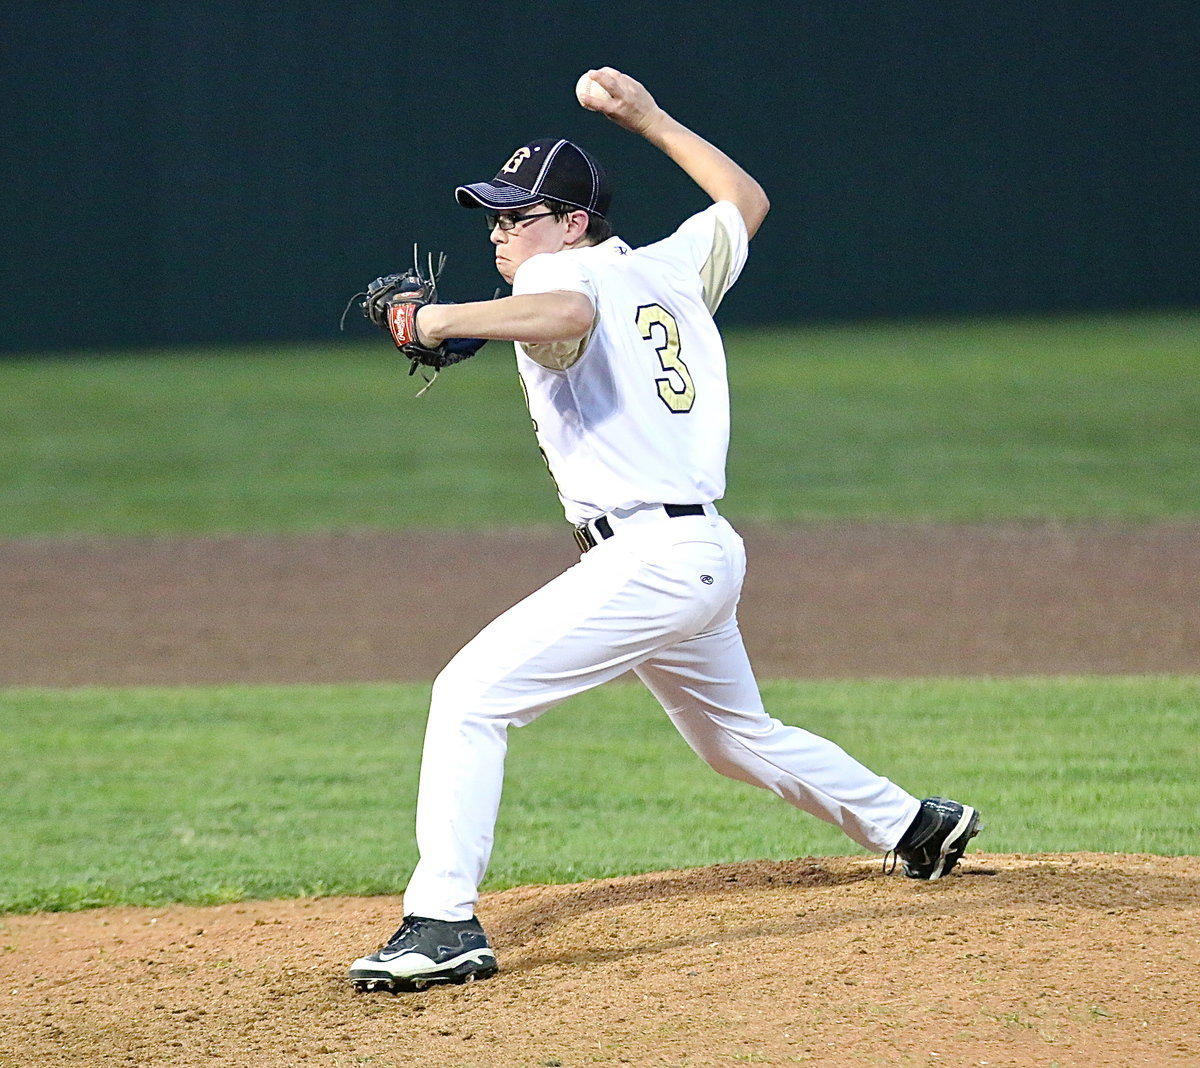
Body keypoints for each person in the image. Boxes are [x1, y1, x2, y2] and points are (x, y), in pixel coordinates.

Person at [348, 67, 981, 993]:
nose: (498, 230)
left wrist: (431, 317)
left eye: (517, 214)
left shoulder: (564, 271)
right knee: (733, 739)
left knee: (470, 696)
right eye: (492, 215)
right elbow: (744, 198)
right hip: (700, 554)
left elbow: (565, 312)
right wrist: (649, 119)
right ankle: (912, 826)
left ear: (571, 222)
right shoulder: (673, 264)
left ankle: (442, 924)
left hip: (649, 554)